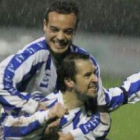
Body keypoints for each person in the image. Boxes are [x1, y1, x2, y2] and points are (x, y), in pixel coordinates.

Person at [0, 0, 140, 139]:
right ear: (45, 26)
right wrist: (40, 111)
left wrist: (72, 136)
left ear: (75, 31)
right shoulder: (33, 55)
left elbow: (101, 114)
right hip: (21, 130)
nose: (60, 37)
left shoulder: (85, 62)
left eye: (67, 31)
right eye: (54, 29)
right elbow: (1, 86)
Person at [1, 53, 110, 140]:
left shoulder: (97, 105)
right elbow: (7, 131)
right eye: (87, 75)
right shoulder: (44, 106)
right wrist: (47, 117)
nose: (96, 79)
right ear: (69, 81)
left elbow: (125, 92)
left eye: (94, 73)